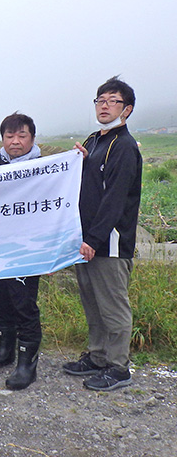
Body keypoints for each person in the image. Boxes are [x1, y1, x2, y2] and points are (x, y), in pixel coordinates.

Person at [63, 77, 142, 391]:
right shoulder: (95, 140)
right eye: (100, 100)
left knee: (113, 305)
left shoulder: (123, 146)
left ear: (127, 109)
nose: (105, 105)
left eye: (112, 100)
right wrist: (77, 161)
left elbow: (115, 200)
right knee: (92, 302)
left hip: (108, 242)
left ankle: (119, 367)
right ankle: (97, 356)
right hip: (86, 240)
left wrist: (94, 240)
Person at [0, 113, 43, 390]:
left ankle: (27, 364)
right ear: (2, 138)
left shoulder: (45, 167)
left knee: (24, 304)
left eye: (22, 136)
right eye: (9, 136)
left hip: (28, 248)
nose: (15, 142)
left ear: (32, 138)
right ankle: (4, 351)